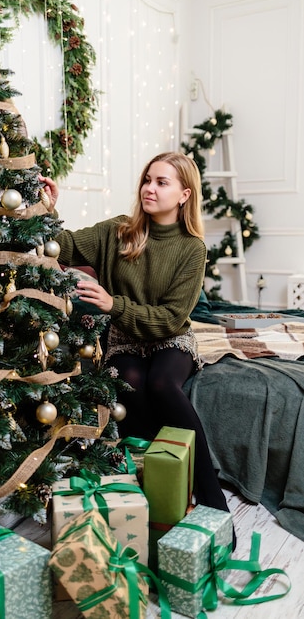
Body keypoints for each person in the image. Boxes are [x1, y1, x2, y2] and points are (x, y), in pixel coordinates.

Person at [39, 152, 232, 518]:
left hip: (169, 338)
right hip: (125, 337)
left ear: (184, 195)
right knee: (129, 380)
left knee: (161, 383)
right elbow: (62, 246)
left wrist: (114, 305)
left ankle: (211, 496)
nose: (150, 188)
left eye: (162, 182)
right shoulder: (117, 231)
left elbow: (173, 317)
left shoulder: (192, 248)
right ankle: (149, 483)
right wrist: (48, 208)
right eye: (148, 179)